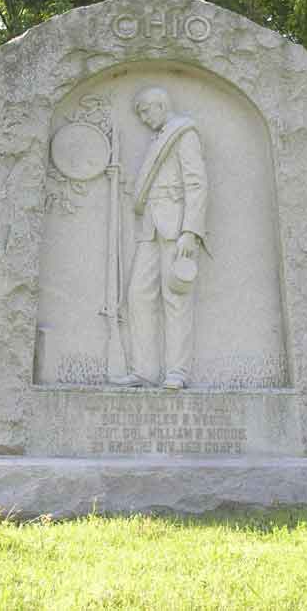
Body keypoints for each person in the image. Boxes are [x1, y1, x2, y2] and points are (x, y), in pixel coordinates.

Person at [114, 86, 208, 389]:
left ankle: (176, 373)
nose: (142, 118)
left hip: (176, 227)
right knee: (138, 296)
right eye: (139, 113)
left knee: (176, 298)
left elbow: (197, 184)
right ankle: (143, 370)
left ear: (160, 105)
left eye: (145, 111)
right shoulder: (160, 137)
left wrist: (190, 232)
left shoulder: (184, 133)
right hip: (151, 229)